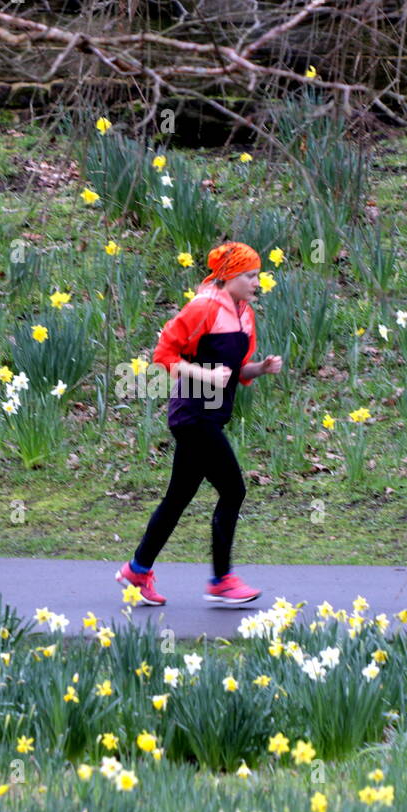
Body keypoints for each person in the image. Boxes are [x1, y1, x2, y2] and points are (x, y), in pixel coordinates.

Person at [116, 241, 282, 606]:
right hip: (192, 415)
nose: (257, 283)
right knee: (234, 490)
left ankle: (136, 570)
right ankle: (222, 580)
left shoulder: (243, 314)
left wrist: (261, 369)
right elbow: (163, 356)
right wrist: (206, 377)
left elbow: (235, 372)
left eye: (258, 276)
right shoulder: (203, 307)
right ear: (228, 276)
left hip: (211, 416)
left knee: (178, 498)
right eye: (250, 276)